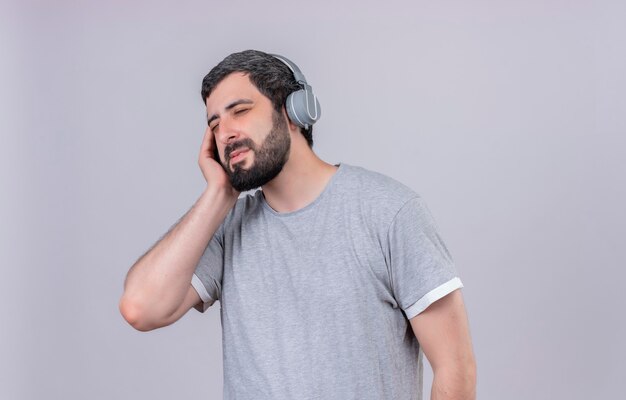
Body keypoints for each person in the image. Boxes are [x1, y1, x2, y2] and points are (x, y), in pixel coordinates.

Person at [119, 49, 476, 400]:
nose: (224, 133)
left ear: (294, 111)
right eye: (214, 125)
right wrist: (218, 193)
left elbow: (454, 369)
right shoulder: (228, 227)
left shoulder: (390, 211)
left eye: (239, 111)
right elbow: (140, 308)